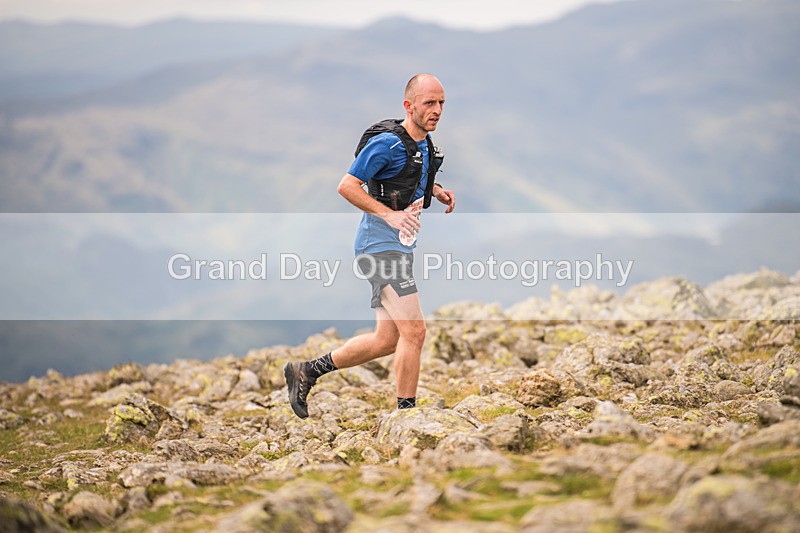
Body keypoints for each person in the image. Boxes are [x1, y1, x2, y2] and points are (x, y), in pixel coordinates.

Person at [284, 73, 456, 419]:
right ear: (409, 106)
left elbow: (409, 173)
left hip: (398, 249)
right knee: (416, 332)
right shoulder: (386, 144)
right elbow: (347, 186)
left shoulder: (422, 141)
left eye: (441, 103)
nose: (437, 110)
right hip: (379, 250)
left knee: (386, 341)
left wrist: (435, 191)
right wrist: (388, 216)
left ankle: (306, 371)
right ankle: (406, 417)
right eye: (429, 103)